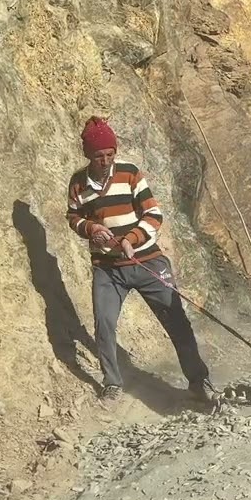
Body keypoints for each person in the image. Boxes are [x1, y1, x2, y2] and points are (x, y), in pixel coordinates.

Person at [65, 116, 218, 405]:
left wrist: (130, 239)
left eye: (110, 154)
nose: (105, 160)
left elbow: (153, 215)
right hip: (107, 269)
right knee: (104, 324)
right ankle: (112, 383)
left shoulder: (130, 174)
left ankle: (199, 382)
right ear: (88, 155)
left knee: (177, 322)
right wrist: (92, 229)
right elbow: (74, 217)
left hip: (148, 262)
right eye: (99, 156)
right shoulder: (78, 183)